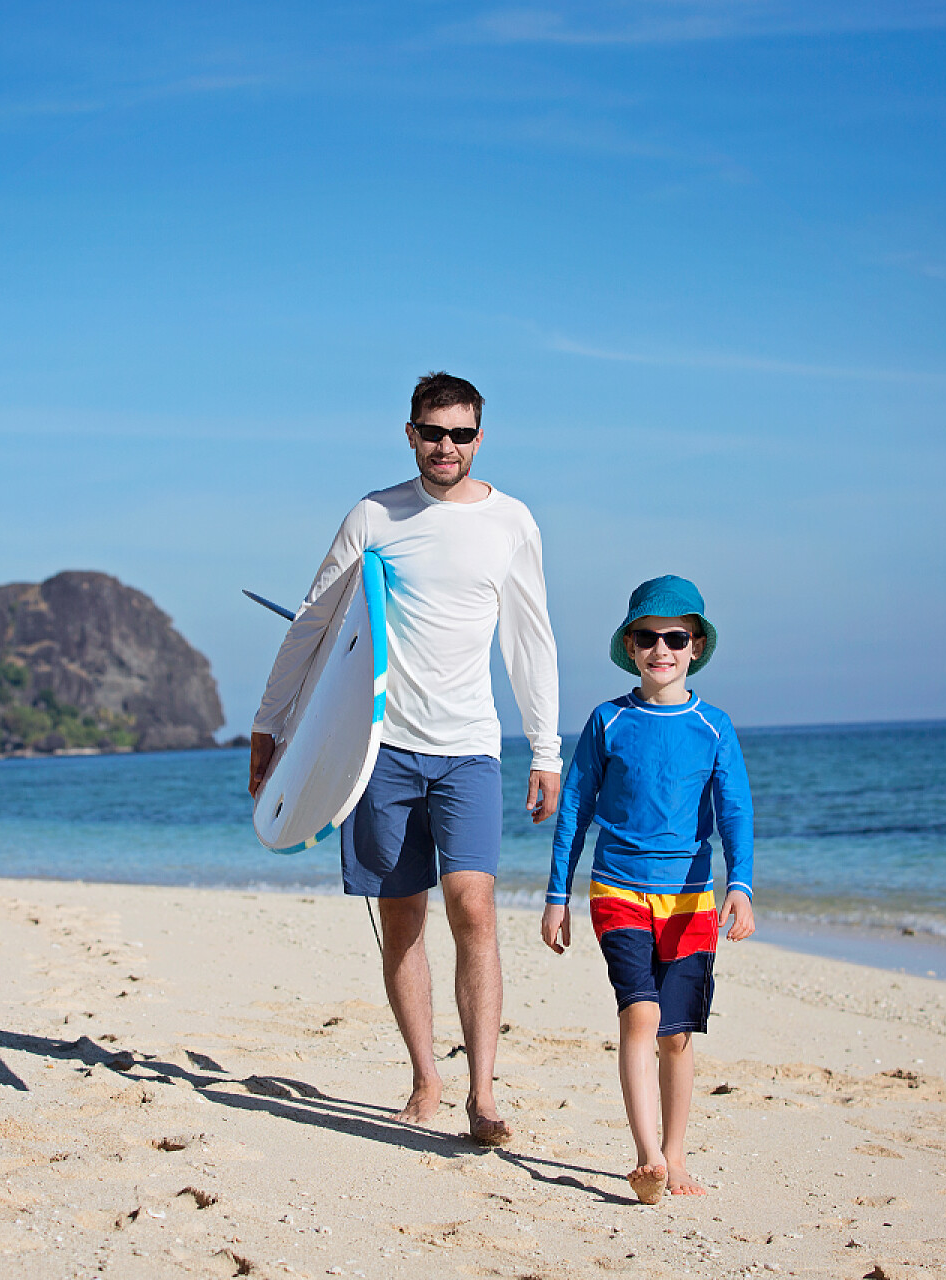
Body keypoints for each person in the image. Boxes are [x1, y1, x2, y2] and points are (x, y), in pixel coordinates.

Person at [249, 371, 561, 1145]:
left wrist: (546, 750)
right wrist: (269, 729)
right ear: (411, 432)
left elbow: (531, 640)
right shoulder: (374, 515)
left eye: (460, 434)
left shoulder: (512, 523)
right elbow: (314, 627)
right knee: (403, 924)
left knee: (475, 908)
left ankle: (483, 1094)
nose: (445, 446)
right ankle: (426, 1078)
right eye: (433, 432)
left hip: (469, 751)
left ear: (479, 438)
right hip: (377, 749)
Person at [541, 575, 754, 1204]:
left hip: (690, 899)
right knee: (640, 1013)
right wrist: (557, 896)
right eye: (646, 637)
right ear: (630, 648)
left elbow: (735, 810)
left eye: (674, 638)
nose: (661, 649)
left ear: (695, 648)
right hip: (618, 891)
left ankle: (678, 1151)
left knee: (677, 1034)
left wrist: (738, 884)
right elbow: (575, 808)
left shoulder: (714, 727)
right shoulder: (608, 722)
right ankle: (647, 1156)